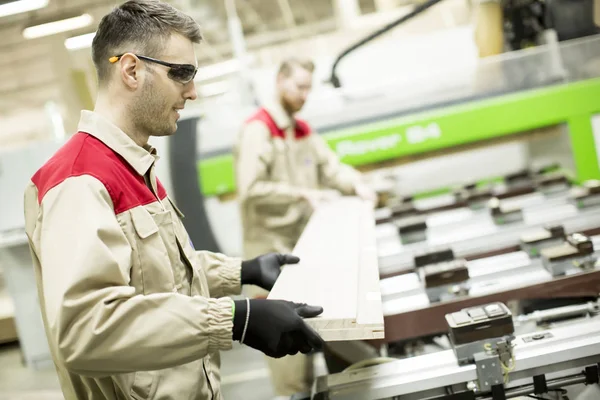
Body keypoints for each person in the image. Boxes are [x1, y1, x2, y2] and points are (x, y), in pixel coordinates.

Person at [23, 1, 324, 399]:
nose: (193, 91)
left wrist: (244, 271)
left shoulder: (134, 166)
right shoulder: (80, 180)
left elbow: (156, 274)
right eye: (181, 73)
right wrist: (235, 319)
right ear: (131, 70)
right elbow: (85, 329)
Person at [234, 57, 377, 397]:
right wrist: (302, 194)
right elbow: (249, 191)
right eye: (299, 86)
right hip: (270, 255)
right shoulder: (259, 130)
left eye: (308, 88)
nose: (304, 95)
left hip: (303, 249)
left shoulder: (301, 130)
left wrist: (358, 185)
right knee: (286, 351)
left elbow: (331, 167)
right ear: (280, 81)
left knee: (315, 329)